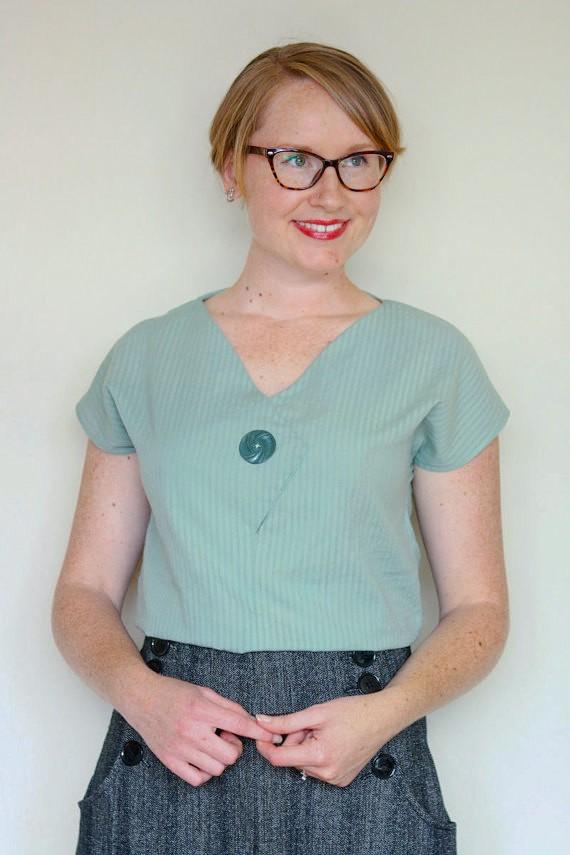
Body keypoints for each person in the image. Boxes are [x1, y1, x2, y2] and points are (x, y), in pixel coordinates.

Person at [52, 41, 511, 855]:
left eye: (359, 160)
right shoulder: (146, 358)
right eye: (295, 158)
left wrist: (384, 713)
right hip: (174, 749)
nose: (330, 192)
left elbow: (480, 611)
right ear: (231, 167)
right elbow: (83, 590)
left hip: (361, 751)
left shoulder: (434, 359)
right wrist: (143, 696)